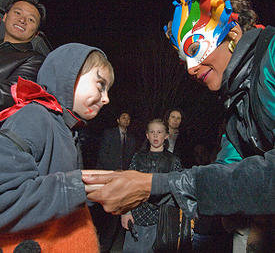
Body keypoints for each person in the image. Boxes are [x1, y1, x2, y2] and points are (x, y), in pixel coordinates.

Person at [83, 0, 275, 252]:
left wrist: (156, 185)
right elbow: (226, 169)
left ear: (232, 33)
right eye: (183, 57)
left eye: (194, 48)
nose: (190, 68)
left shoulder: (272, 54)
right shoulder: (235, 106)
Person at [0, 43, 114, 252]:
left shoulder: (69, 130)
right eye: (100, 84)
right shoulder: (34, 117)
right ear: (68, 76)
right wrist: (78, 186)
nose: (106, 99)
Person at [121, 118, 183, 252]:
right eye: (152, 132)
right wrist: (125, 212)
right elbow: (127, 186)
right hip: (137, 216)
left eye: (159, 132)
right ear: (147, 135)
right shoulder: (137, 157)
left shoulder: (173, 161)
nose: (155, 135)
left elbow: (178, 192)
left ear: (166, 136)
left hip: (161, 220)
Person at [93, 112, 136, 252]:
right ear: (118, 120)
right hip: (107, 178)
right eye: (123, 117)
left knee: (116, 216)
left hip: (122, 181)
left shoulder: (131, 139)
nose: (126, 119)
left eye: (128, 118)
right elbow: (102, 155)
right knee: (103, 215)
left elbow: (131, 159)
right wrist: (114, 171)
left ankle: (107, 246)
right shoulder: (109, 134)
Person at [0, 0, 46, 111]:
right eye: (17, 13)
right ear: (5, 17)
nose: (22, 20)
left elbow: (9, 95)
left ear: (36, 34)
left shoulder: (35, 60)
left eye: (31, 19)